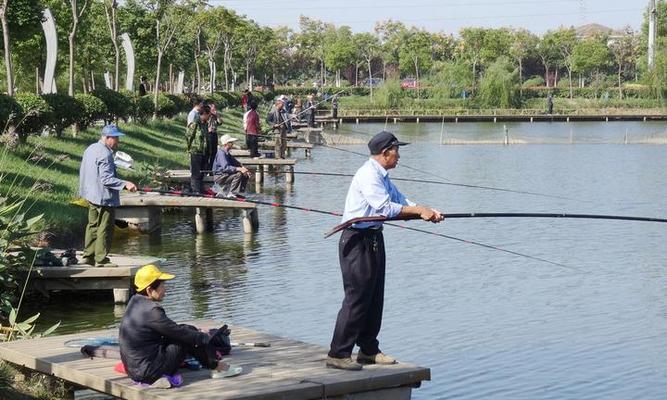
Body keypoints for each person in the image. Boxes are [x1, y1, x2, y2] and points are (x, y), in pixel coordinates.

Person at [326, 131, 444, 371]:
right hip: (356, 241)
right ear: (385, 153)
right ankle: (338, 353)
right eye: (396, 151)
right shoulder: (368, 175)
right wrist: (418, 211)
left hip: (374, 239)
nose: (399, 156)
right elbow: (385, 207)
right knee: (357, 298)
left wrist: (426, 211)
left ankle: (368, 350)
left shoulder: (382, 176)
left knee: (374, 297)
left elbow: (400, 200)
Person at [119, 264, 241, 388]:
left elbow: (171, 329)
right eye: (162, 286)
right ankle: (218, 368)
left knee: (188, 331)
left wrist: (196, 333)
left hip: (134, 371)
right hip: (149, 372)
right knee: (187, 337)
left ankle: (215, 365)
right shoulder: (152, 311)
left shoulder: (134, 302)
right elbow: (180, 333)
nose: (165, 290)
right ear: (150, 290)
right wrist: (204, 337)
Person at [79, 125, 137, 267]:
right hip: (103, 197)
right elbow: (106, 179)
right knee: (105, 227)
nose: (117, 141)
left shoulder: (91, 148)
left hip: (90, 194)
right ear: (107, 137)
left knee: (92, 226)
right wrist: (125, 184)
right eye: (115, 138)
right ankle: (101, 259)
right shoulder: (105, 154)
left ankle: (88, 256)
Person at [212, 134, 251, 198]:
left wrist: (244, 169)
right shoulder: (221, 153)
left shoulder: (227, 153)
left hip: (225, 174)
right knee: (238, 174)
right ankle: (231, 193)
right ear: (226, 144)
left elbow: (236, 163)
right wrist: (240, 169)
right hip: (219, 176)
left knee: (244, 174)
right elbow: (226, 168)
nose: (232, 144)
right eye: (230, 142)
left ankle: (239, 192)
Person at [186, 104, 211, 194]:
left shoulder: (205, 124)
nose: (209, 117)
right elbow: (189, 136)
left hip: (204, 152)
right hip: (196, 151)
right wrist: (190, 148)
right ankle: (195, 190)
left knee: (202, 172)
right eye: (209, 115)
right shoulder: (195, 123)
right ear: (204, 114)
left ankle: (200, 189)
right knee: (196, 173)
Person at [206, 103, 221, 172]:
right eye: (212, 108)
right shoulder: (207, 115)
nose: (214, 110)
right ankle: (207, 168)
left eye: (215, 108)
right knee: (208, 152)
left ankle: (212, 168)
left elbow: (220, 122)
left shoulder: (215, 116)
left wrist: (217, 116)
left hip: (214, 134)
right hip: (208, 134)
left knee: (214, 152)